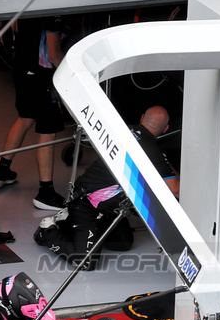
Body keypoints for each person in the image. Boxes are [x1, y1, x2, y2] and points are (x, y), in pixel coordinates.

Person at [35, 106, 178, 269]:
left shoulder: (120, 130)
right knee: (85, 262)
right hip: (86, 201)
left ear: (142, 117)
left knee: (123, 243)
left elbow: (85, 138)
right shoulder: (154, 152)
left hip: (108, 204)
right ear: (166, 129)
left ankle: (71, 222)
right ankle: (47, 231)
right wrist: (167, 165)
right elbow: (174, 189)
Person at [0, 16, 69, 211]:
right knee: (47, 130)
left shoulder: (29, 5)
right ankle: (46, 193)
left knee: (25, 118)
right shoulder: (53, 15)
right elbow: (53, 53)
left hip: (21, 70)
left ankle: (2, 172)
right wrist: (72, 77)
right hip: (41, 77)